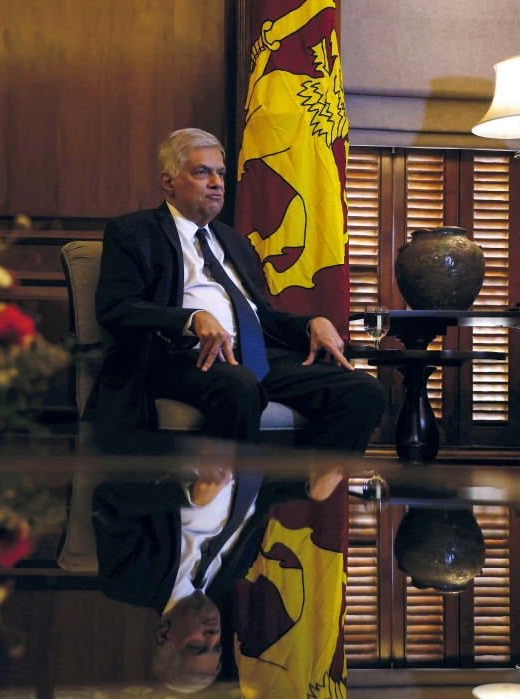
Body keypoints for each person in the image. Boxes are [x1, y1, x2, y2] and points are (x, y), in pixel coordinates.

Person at [85, 127, 385, 450]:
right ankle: (236, 484)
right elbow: (117, 307)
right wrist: (191, 319)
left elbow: (261, 316)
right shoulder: (134, 232)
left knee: (363, 390)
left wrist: (312, 324)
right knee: (240, 384)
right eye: (202, 173)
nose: (217, 183)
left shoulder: (233, 240)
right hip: (178, 359)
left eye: (221, 173)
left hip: (252, 357)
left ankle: (306, 478)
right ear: (168, 182)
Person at [93, 466, 341, 692]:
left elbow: (109, 501)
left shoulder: (128, 581)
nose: (213, 635)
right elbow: (263, 499)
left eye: (198, 646)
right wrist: (308, 490)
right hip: (258, 458)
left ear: (164, 635)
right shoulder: (231, 576)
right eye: (217, 647)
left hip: (194, 453)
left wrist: (188, 497)